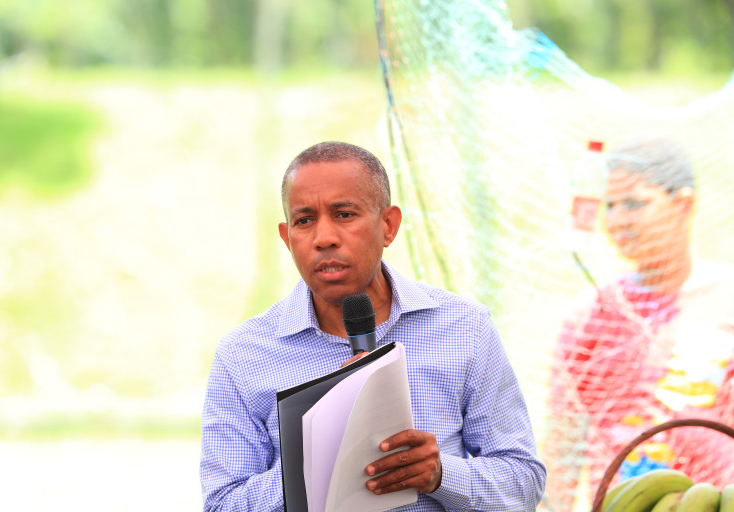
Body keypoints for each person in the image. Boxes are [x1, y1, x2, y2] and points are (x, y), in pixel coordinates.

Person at [200, 141, 546, 511]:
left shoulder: (465, 328)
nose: (324, 238)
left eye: (344, 214)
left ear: (388, 225)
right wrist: (317, 458)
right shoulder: (243, 355)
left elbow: (524, 483)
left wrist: (441, 475)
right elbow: (222, 504)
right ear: (287, 239)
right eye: (304, 221)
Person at [544, 136, 734, 511]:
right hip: (620, 503)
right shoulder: (591, 314)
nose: (617, 221)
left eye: (634, 203)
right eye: (610, 206)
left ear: (684, 205)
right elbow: (563, 443)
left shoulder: (726, 300)